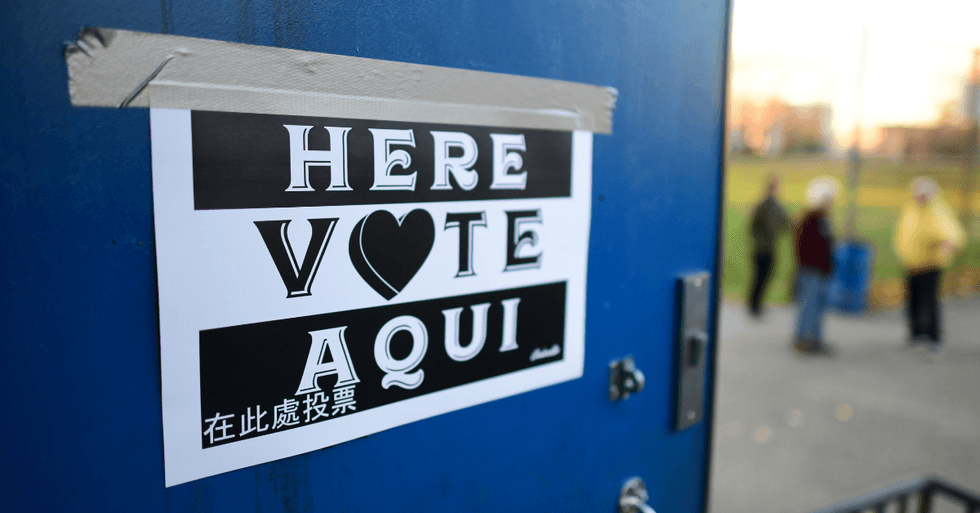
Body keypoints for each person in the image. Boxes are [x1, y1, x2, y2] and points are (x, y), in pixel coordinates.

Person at [893, 176, 966, 358]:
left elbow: (952, 233)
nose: (920, 198)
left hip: (930, 265)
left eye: (924, 195)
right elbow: (903, 233)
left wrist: (949, 244)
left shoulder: (938, 211)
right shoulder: (910, 210)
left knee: (929, 302)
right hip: (911, 264)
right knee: (912, 301)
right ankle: (916, 334)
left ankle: (933, 337)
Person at [792, 176, 838, 355]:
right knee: (808, 306)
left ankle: (816, 339)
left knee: (819, 307)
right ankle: (803, 339)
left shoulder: (823, 219)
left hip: (821, 271)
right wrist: (814, 264)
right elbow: (804, 247)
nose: (830, 203)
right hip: (811, 271)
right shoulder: (810, 219)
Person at [748, 175, 790, 317]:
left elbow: (785, 223)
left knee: (766, 277)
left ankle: (758, 304)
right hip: (761, 249)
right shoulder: (763, 206)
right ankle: (754, 305)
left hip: (771, 248)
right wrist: (761, 241)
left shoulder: (777, 206)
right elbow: (753, 227)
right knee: (759, 277)